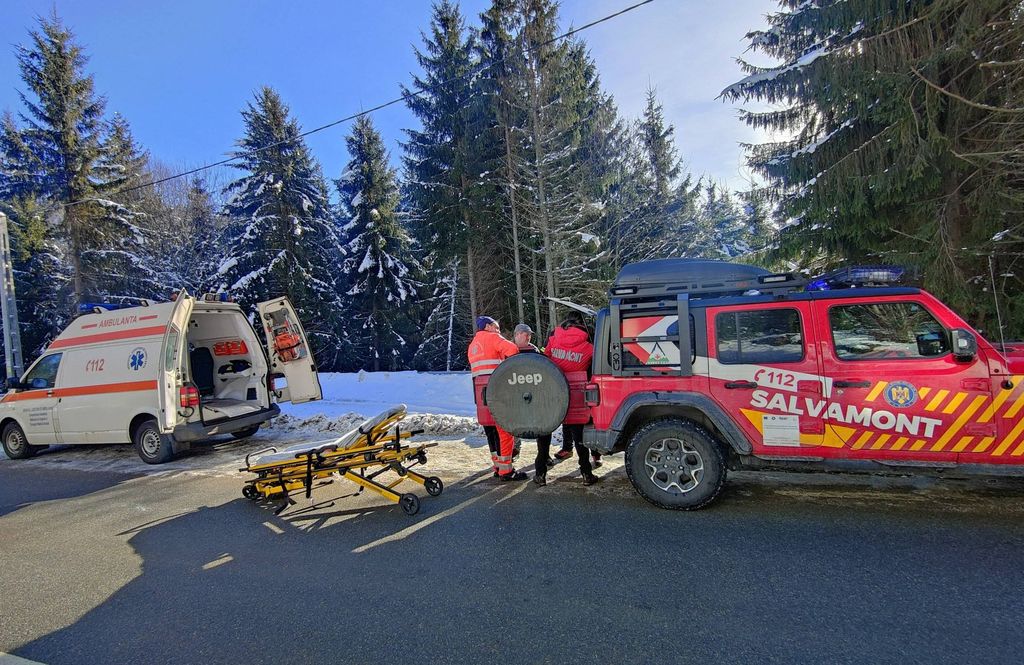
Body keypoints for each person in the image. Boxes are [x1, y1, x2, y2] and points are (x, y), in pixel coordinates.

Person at [542, 312, 599, 486]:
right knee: (579, 432)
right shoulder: (588, 341)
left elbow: (546, 358)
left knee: (545, 429)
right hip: (577, 389)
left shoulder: (554, 336)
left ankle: (540, 473)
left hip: (554, 387)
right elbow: (596, 363)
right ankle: (586, 473)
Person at [468, 316, 528, 481]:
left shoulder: (473, 345)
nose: (498, 330)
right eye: (496, 327)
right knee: (505, 431)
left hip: (481, 395)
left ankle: (498, 466)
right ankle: (506, 471)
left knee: (491, 432)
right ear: (488, 326)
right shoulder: (493, 338)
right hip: (498, 392)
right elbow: (513, 350)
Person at [512, 323, 556, 477]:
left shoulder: (535, 350)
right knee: (513, 428)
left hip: (536, 396)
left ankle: (544, 456)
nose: (529, 337)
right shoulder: (510, 351)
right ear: (517, 335)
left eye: (530, 334)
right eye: (526, 334)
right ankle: (511, 457)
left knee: (542, 427)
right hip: (517, 397)